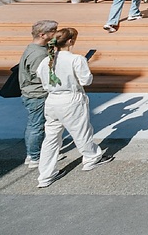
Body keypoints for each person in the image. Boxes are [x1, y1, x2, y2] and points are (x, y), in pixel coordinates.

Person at [36, 28, 113, 188]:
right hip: (71, 98)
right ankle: (91, 158)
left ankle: (45, 175)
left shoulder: (45, 61)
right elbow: (86, 80)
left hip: (52, 100)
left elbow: (42, 81)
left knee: (51, 138)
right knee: (81, 131)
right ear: (71, 41)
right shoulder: (76, 59)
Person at [19, 19, 58, 169]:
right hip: (37, 94)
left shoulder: (33, 49)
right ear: (43, 34)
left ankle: (33, 154)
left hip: (31, 93)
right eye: (53, 31)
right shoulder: (38, 55)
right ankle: (35, 156)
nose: (56, 34)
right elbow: (40, 76)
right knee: (36, 126)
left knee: (34, 124)